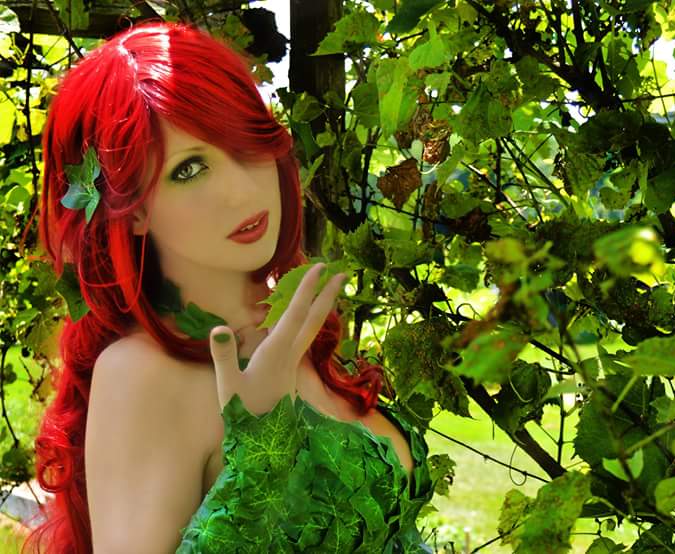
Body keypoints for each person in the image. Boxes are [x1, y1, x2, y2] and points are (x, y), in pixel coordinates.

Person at [23, 21, 434, 553]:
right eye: (190, 169)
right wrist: (259, 453)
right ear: (132, 209)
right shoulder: (140, 375)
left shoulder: (289, 328)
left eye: (244, 141)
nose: (243, 190)